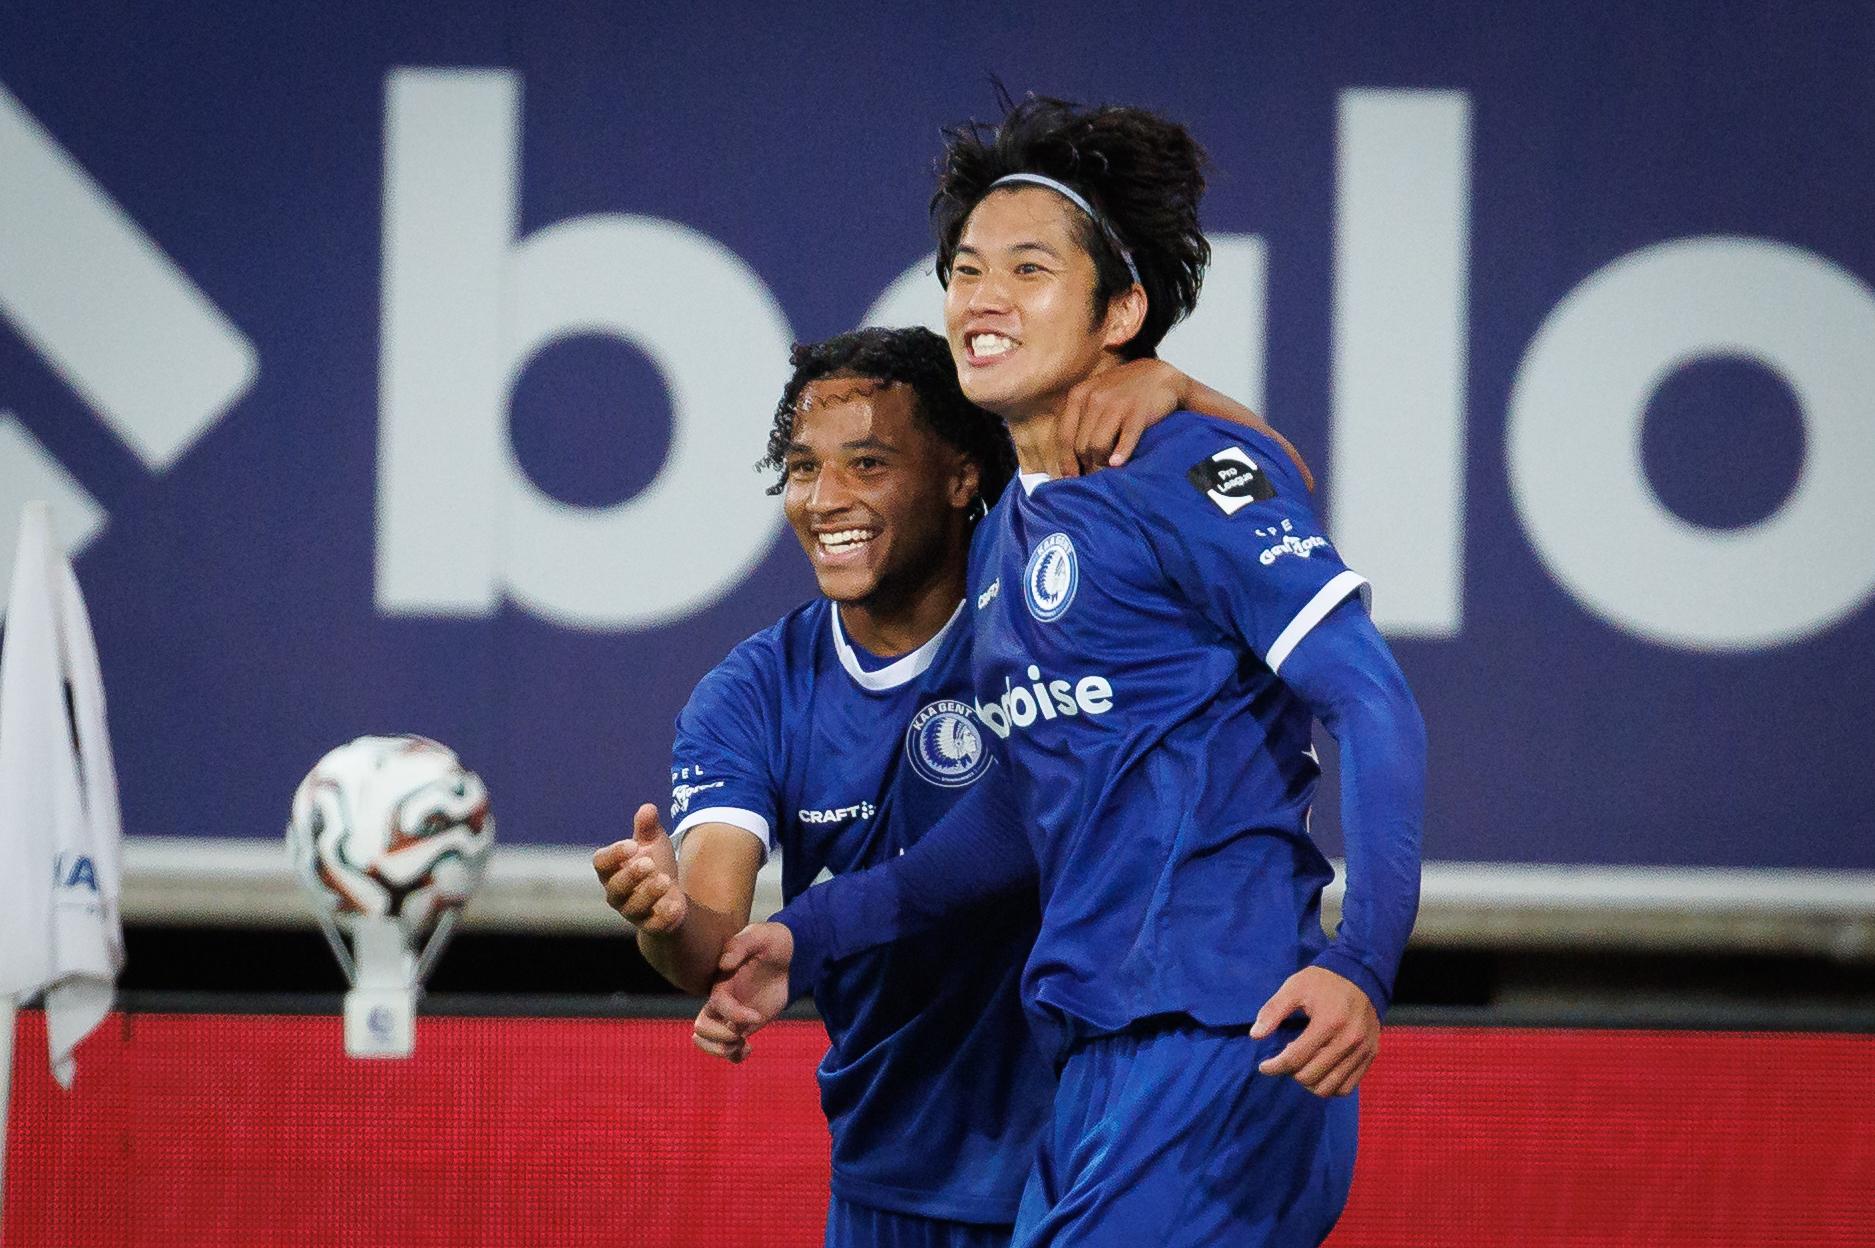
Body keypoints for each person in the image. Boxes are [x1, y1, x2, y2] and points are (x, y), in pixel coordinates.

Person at [701, 97, 1427, 1247]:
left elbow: (1375, 704)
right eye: (966, 268)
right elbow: (1014, 814)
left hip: (1220, 1030)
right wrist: (815, 932)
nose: (980, 296)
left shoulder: (1189, 461)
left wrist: (1364, 964)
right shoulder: (1005, 540)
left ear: (1121, 307)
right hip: (1090, 1058)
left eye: (1029, 269)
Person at [594, 324, 1296, 1248]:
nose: (825, 499)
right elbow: (713, 948)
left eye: (868, 464)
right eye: (803, 469)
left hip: (1083, 1143)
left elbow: (1272, 487)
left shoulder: (1056, 626)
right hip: (889, 1160)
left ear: (964, 477)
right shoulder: (753, 691)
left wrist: (1180, 389)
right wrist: (668, 920)